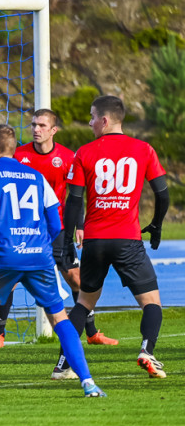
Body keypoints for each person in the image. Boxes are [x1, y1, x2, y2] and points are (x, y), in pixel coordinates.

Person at [0, 124, 103, 401]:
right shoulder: (37, 176)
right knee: (59, 316)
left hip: (5, 255)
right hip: (40, 256)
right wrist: (42, 247)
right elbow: (56, 223)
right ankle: (89, 383)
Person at [0, 108, 119, 355]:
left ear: (53, 130)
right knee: (10, 280)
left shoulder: (68, 157)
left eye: (41, 125)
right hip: (24, 229)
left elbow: (76, 194)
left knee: (76, 279)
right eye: (33, 125)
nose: (36, 130)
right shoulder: (19, 155)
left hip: (57, 227)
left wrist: (80, 225)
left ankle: (91, 333)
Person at [59, 95, 170, 379]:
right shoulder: (143, 149)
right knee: (152, 302)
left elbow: (73, 202)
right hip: (127, 240)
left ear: (105, 121)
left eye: (93, 117)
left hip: (94, 241)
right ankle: (147, 351)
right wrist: (156, 225)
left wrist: (67, 240)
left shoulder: (84, 152)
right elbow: (162, 193)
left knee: (84, 302)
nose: (89, 122)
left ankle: (64, 365)